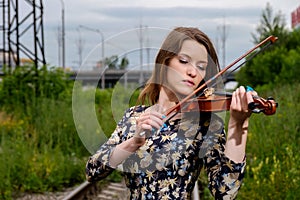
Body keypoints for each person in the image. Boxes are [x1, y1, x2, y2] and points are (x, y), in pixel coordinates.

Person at [86, 27, 256, 199]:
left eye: (201, 66)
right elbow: (92, 171)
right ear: (165, 62)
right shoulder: (133, 117)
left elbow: (225, 193)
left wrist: (238, 124)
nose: (193, 72)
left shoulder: (206, 124)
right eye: (184, 61)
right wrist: (133, 143)